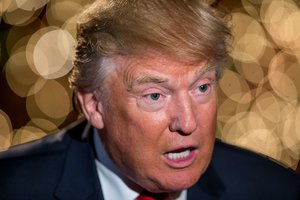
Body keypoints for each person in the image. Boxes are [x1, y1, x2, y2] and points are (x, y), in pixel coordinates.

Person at [0, 0, 300, 199]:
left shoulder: (275, 189)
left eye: (202, 88)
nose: (188, 122)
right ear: (94, 105)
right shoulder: (12, 187)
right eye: (155, 95)